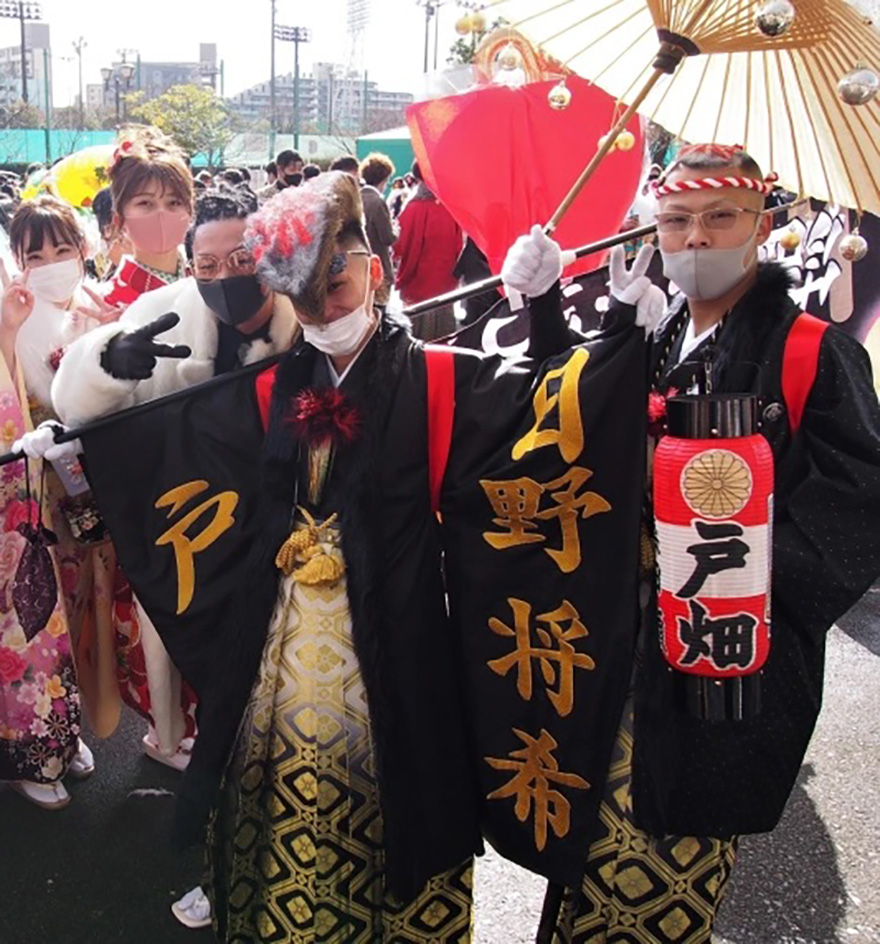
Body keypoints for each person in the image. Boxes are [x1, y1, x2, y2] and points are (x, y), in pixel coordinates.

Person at [185, 172, 578, 942]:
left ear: (379, 271)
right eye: (304, 297)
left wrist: (546, 309)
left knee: (401, 797)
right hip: (284, 648)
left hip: (399, 635)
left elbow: (549, 418)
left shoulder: (444, 378)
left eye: (339, 282)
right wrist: (82, 441)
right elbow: (186, 443)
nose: (324, 310)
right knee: (277, 804)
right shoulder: (277, 385)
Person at [520, 143, 880, 943]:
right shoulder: (656, 333)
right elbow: (560, 416)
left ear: (762, 224)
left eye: (721, 218)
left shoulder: (814, 353)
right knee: (588, 845)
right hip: (616, 645)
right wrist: (544, 304)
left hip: (719, 649)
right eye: (677, 220)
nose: (695, 240)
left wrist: (722, 570)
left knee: (666, 866)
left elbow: (859, 505)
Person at [50, 184, 299, 930]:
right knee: (221, 720)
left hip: (293, 567)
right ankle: (220, 863)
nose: (225, 277)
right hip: (202, 565)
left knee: (283, 728)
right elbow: (77, 401)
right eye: (207, 263)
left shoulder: (307, 320)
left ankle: (270, 860)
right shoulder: (167, 316)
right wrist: (111, 363)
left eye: (243, 259)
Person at [0, 200, 98, 810]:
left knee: (38, 613)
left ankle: (53, 732)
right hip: (17, 482)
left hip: (21, 485)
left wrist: (8, 332)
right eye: (35, 254)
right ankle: (28, 747)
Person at [103, 127, 195, 310]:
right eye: (145, 203)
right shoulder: (108, 304)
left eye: (174, 202)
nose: (161, 214)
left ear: (190, 212)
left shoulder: (207, 280)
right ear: (119, 219)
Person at [393, 161, 462, 341]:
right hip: (445, 274)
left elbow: (399, 244)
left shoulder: (413, 208)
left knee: (416, 329)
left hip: (418, 277)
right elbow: (458, 245)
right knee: (444, 324)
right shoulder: (450, 207)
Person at [358, 152, 397, 303]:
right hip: (379, 266)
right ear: (384, 178)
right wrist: (396, 229)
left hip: (360, 266)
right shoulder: (378, 202)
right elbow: (387, 238)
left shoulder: (356, 197)